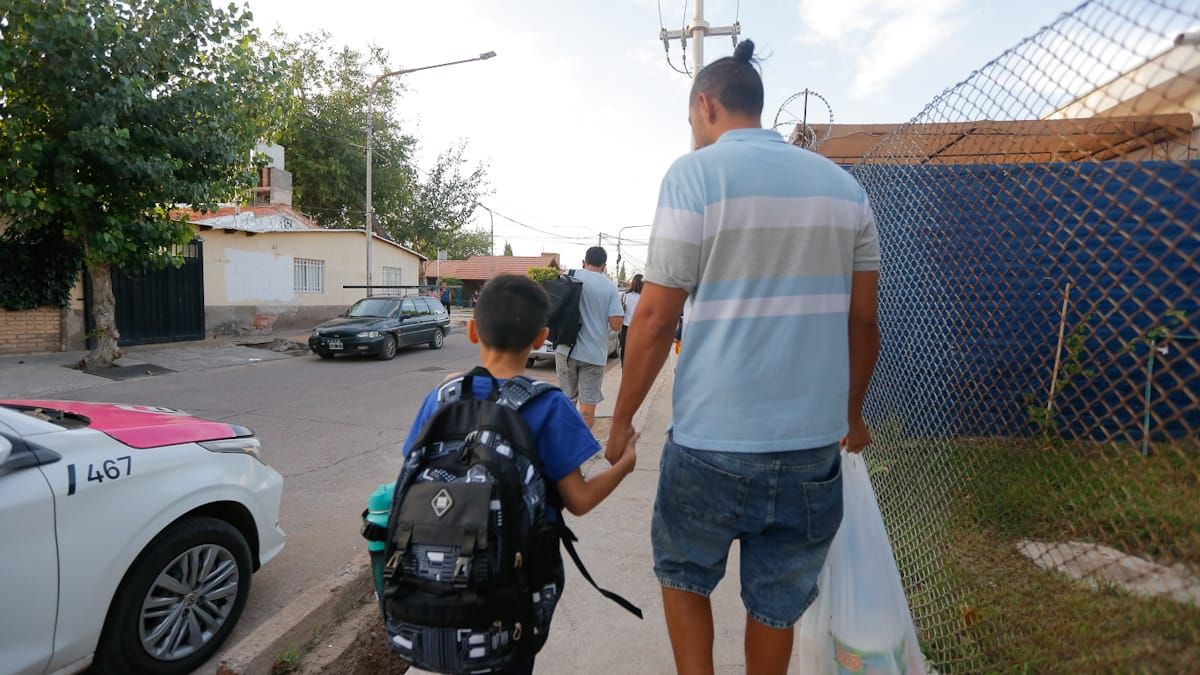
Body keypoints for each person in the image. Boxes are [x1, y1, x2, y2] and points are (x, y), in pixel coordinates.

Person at [605, 39, 881, 675]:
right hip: (812, 449)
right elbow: (863, 320)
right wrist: (853, 413)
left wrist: (620, 422)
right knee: (777, 603)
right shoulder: (846, 191)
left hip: (711, 443)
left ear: (705, 106)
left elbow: (654, 316)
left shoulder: (694, 175)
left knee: (683, 573)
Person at [402, 275, 639, 675]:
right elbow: (578, 501)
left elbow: (411, 473)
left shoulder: (442, 397)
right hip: (514, 590)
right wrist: (625, 466)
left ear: (473, 329)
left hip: (436, 586)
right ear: (541, 337)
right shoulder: (550, 406)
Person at [556, 246, 623, 429]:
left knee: (567, 400)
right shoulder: (609, 287)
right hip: (594, 355)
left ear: (583, 262)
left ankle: (563, 445)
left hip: (565, 349)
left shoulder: (568, 275)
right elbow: (616, 324)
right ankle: (582, 450)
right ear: (604, 265)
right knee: (587, 405)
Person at [620, 273, 644, 366]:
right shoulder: (644, 297)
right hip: (640, 330)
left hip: (626, 329)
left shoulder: (625, 296)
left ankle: (625, 376)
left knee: (625, 355)